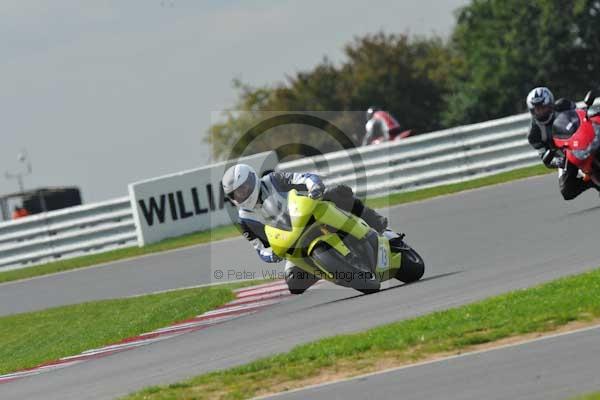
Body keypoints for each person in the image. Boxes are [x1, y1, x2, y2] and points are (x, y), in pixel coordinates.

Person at [222, 164, 388, 293]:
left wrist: (314, 186)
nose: (241, 195)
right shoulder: (244, 218)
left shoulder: (272, 180)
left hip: (308, 213)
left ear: (252, 180)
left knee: (338, 193)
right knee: (294, 282)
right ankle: (332, 268)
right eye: (236, 194)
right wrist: (271, 255)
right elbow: (259, 248)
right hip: (291, 241)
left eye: (243, 189)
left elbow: (303, 177)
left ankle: (375, 222)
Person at [526, 86, 598, 200]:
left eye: (543, 107)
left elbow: (582, 115)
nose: (541, 111)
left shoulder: (564, 105)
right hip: (566, 155)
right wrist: (558, 161)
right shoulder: (534, 133)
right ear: (532, 111)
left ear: (550, 103)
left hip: (583, 137)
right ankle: (593, 183)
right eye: (537, 109)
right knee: (567, 190)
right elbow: (544, 158)